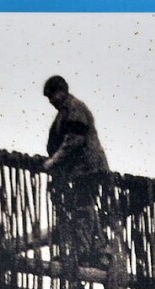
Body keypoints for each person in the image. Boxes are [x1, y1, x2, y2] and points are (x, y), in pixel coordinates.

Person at [41, 76, 110, 267]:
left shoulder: (74, 107)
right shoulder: (65, 111)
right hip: (81, 169)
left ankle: (83, 253)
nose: (51, 101)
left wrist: (54, 161)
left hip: (88, 167)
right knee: (84, 207)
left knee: (83, 208)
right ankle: (100, 252)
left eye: (52, 96)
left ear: (62, 91)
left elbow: (74, 140)